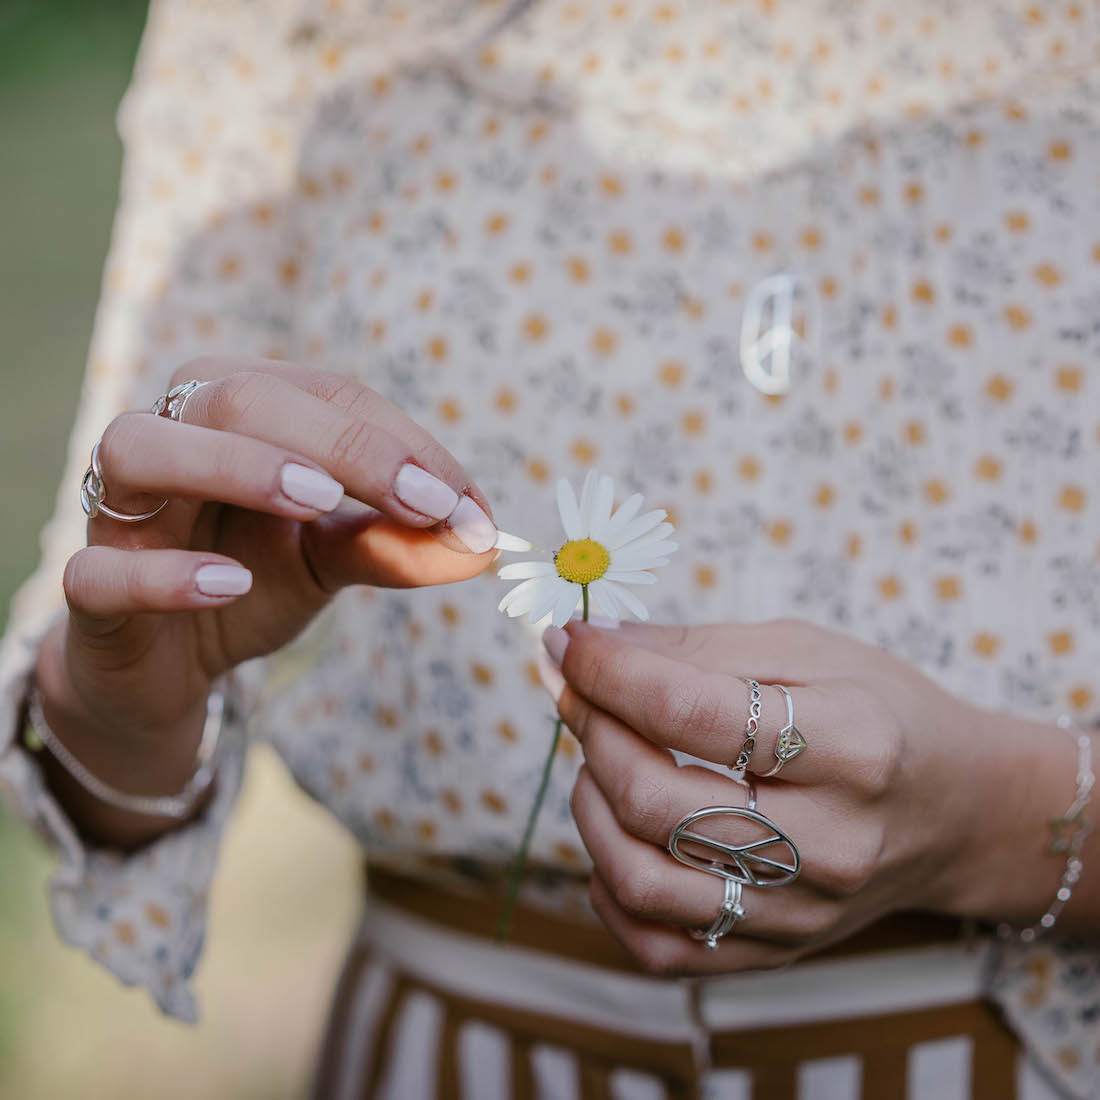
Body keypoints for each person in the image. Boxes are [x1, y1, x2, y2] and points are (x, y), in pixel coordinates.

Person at [3, 2, 1099, 1097]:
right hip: (446, 1061)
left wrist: (994, 826)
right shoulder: (283, 26)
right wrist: (123, 715)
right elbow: (88, 712)